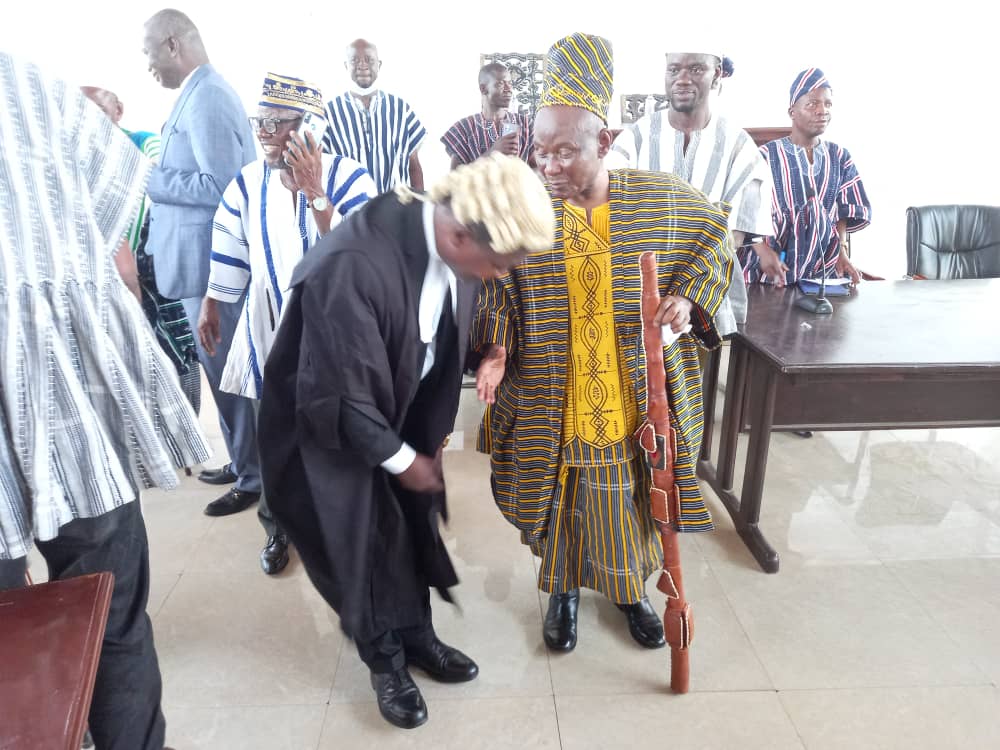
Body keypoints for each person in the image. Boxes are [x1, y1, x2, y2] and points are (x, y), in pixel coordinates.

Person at [257, 154, 554, 729]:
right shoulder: (352, 265)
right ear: (461, 235)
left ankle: (418, 636)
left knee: (411, 529)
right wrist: (402, 460)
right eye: (498, 264)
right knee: (364, 544)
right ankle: (386, 661)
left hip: (397, 407)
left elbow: (431, 332)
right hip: (330, 430)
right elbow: (340, 396)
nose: (499, 277)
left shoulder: (446, 235)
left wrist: (478, 363)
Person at [473, 33, 732, 656]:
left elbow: (714, 236)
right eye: (540, 152)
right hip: (554, 391)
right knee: (564, 502)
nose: (549, 167)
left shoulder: (658, 201)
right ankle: (561, 592)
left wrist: (688, 297)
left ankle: (627, 593)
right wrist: (498, 350)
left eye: (566, 152)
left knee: (627, 503)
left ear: (605, 142)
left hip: (629, 396)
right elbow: (498, 283)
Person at [0, 51, 210, 750]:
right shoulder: (35, 90)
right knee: (110, 613)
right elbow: (114, 246)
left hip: (64, 391)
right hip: (67, 397)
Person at [199, 74, 376, 574]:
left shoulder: (350, 177)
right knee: (273, 433)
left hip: (334, 331)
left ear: (308, 127)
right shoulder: (247, 182)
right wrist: (213, 300)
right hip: (268, 324)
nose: (264, 132)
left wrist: (316, 193)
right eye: (261, 121)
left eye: (277, 123)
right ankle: (277, 526)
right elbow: (229, 242)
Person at [141, 8, 261, 513]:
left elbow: (223, 186)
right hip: (196, 265)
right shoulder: (197, 93)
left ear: (173, 44)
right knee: (220, 375)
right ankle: (243, 460)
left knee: (230, 374)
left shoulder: (208, 96)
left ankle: (254, 478)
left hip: (210, 269)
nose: (149, 65)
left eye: (149, 53)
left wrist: (151, 178)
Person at [613, 48, 773, 334]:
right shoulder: (634, 139)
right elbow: (614, 218)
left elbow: (730, 240)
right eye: (674, 70)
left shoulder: (741, 149)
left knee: (704, 364)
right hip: (637, 298)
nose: (683, 79)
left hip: (708, 300)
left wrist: (687, 298)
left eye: (696, 69)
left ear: (717, 75)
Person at [80, 85, 202, 415]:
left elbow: (161, 178)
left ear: (118, 111)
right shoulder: (74, 154)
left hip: (156, 262)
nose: (90, 121)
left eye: (99, 112)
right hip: (109, 271)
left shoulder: (144, 143)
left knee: (176, 348)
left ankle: (186, 424)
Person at [739, 68, 871, 288]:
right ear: (792, 111)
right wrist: (762, 251)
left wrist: (842, 252)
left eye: (828, 104)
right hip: (768, 271)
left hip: (822, 272)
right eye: (812, 104)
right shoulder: (764, 156)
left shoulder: (840, 157)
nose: (822, 111)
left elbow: (844, 211)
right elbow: (740, 210)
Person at [322, 38, 425, 193]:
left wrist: (420, 205)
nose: (362, 65)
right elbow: (320, 171)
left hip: (395, 205)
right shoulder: (329, 113)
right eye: (354, 60)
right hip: (349, 206)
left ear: (379, 64)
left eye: (369, 59)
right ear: (346, 66)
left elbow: (414, 167)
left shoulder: (401, 109)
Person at [441, 62, 534, 168]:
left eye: (509, 83)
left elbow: (538, 170)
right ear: (483, 89)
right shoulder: (463, 129)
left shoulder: (526, 125)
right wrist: (492, 153)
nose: (509, 89)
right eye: (500, 84)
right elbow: (455, 176)